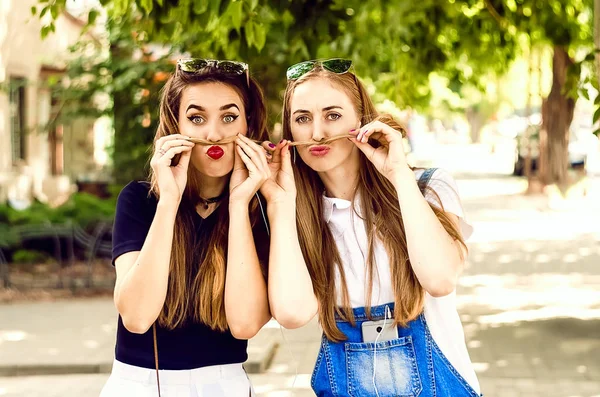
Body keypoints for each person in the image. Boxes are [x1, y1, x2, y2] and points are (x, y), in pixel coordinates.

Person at [267, 59, 482, 396]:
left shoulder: (427, 187)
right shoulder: (296, 215)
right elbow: (292, 314)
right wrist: (280, 204)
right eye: (302, 119)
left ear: (362, 121)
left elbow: (440, 279)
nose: (318, 133)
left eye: (333, 115)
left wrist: (398, 175)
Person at [100, 59, 274, 397]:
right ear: (175, 126)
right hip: (141, 384)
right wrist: (169, 201)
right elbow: (136, 316)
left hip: (226, 385)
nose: (213, 133)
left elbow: (245, 324)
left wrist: (238, 205)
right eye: (196, 118)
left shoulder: (262, 209)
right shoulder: (139, 200)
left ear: (248, 124)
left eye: (229, 117)